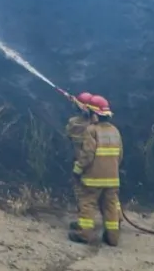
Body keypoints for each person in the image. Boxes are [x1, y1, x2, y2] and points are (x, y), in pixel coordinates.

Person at [68, 94, 122, 247]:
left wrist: (78, 169)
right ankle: (113, 237)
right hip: (113, 179)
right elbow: (120, 155)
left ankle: (84, 234)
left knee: (87, 203)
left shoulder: (91, 130)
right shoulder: (115, 131)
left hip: (93, 178)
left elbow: (87, 154)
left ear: (94, 114)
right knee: (110, 206)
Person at [65, 92, 93, 231]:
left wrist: (75, 103)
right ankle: (114, 220)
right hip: (97, 163)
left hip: (81, 162)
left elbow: (69, 132)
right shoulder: (95, 125)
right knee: (108, 196)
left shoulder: (73, 123)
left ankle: (85, 227)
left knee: (82, 195)